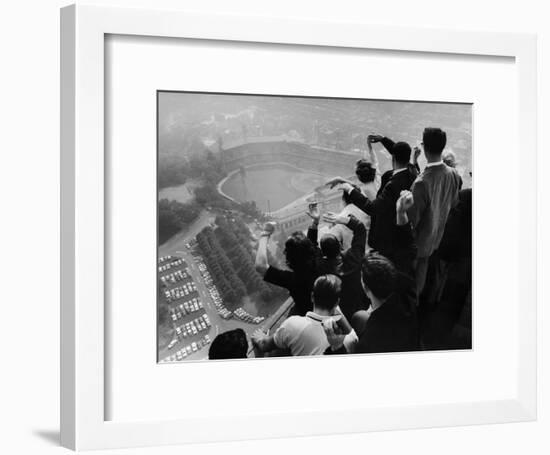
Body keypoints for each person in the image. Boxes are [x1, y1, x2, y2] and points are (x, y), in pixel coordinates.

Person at [324, 191, 418, 354]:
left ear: (366, 288)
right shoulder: (408, 292)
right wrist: (401, 213)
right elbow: (407, 249)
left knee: (359, 317)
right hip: (412, 340)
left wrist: (336, 346)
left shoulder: (372, 338)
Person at [329, 137, 417, 274]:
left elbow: (372, 209)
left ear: (393, 157)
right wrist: (383, 140)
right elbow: (396, 154)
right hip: (395, 230)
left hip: (385, 234)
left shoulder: (392, 185)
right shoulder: (411, 172)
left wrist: (347, 187)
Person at [406, 127, 462, 295]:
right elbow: (453, 203)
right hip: (435, 238)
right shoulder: (453, 174)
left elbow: (411, 221)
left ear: (424, 148)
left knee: (410, 284)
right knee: (420, 280)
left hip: (417, 245)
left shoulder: (421, 183)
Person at [252, 274, 357, 356]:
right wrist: (335, 308)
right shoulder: (349, 340)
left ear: (312, 297)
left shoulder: (292, 324)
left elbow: (265, 346)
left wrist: (259, 337)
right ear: (337, 303)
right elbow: (353, 336)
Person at [305, 205, 368, 321]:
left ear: (322, 252)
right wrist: (344, 220)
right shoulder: (353, 258)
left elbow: (310, 248)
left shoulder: (320, 268)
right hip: (359, 307)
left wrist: (315, 222)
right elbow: (360, 230)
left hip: (337, 315)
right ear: (340, 246)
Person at [254, 222, 319, 316]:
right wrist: (315, 223)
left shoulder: (293, 279)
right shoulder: (320, 263)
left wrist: (265, 233)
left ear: (289, 257)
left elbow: (260, 266)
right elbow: (311, 246)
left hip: (307, 316)